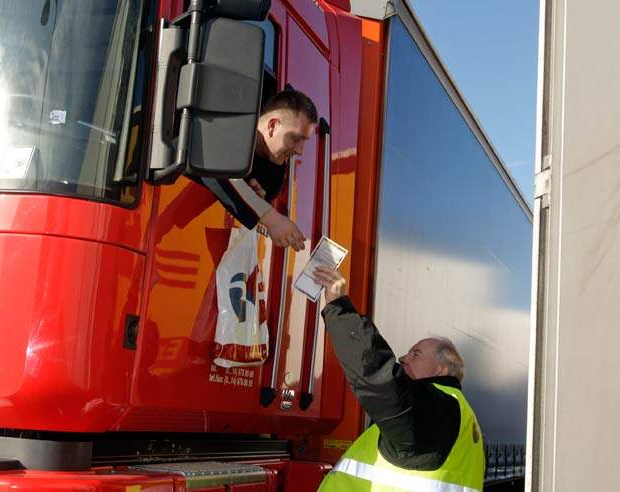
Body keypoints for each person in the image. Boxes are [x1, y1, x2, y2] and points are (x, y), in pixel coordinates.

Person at [312, 267, 486, 492]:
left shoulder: (438, 408)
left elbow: (380, 379)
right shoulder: (457, 412)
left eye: (416, 354)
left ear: (442, 369)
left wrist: (338, 307)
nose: (404, 357)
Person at [191, 89, 318, 251]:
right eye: (296, 138)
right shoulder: (228, 123)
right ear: (272, 125)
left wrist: (254, 200)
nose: (300, 151)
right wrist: (269, 216)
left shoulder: (275, 173)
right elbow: (210, 159)